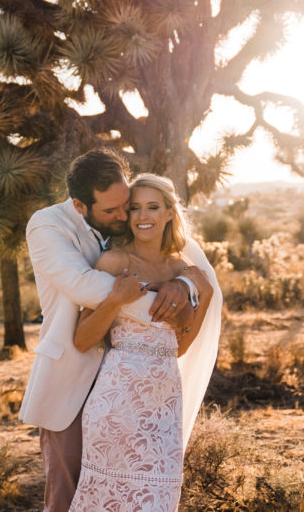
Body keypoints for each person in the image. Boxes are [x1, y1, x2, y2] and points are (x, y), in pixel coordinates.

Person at [20, 149, 222, 512]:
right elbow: (85, 286)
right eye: (115, 211)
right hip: (74, 375)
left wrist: (187, 283)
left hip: (151, 395)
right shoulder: (49, 226)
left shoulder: (137, 241)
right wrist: (174, 295)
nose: (125, 216)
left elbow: (180, 343)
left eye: (126, 205)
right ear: (81, 205)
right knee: (70, 495)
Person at [68, 173, 215, 511]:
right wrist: (114, 300)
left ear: (169, 213)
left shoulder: (185, 270)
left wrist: (196, 296)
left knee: (158, 500)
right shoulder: (115, 262)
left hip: (164, 403)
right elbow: (82, 339)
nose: (143, 216)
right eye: (135, 208)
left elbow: (179, 348)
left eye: (153, 207)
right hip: (116, 401)